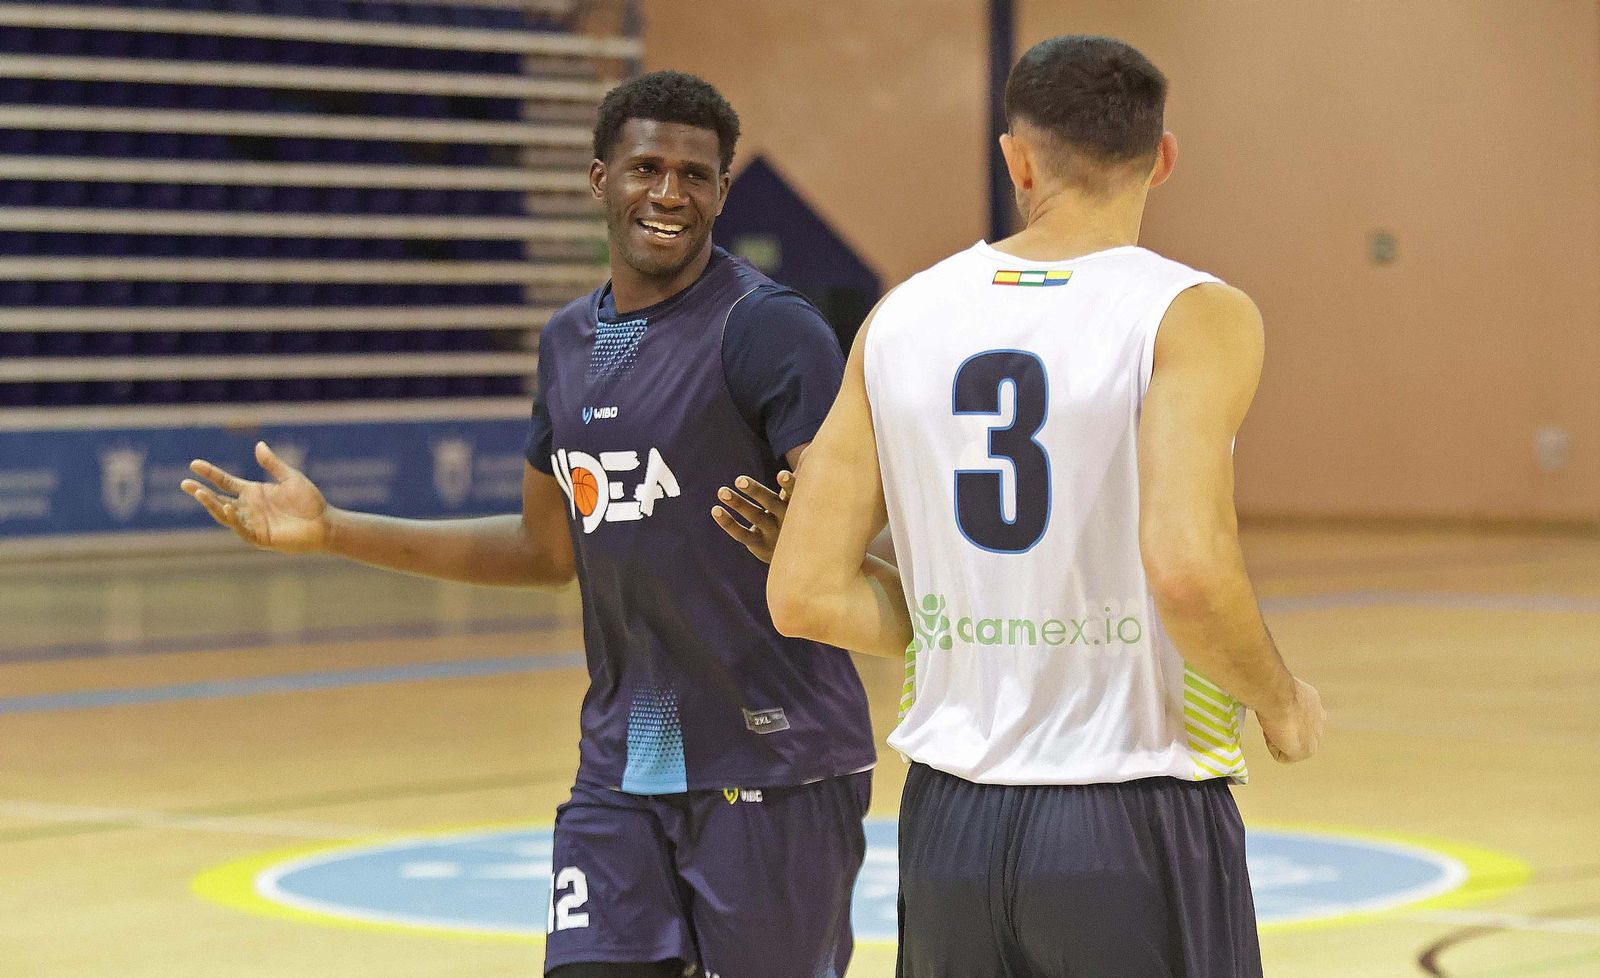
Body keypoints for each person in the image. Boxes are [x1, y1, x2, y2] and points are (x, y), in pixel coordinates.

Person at [182, 71, 876, 978]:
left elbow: (866, 531)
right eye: (647, 168)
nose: (670, 193)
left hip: (774, 759)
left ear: (721, 193)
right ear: (599, 179)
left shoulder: (766, 329)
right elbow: (544, 549)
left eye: (696, 176)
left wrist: (821, 538)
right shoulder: (567, 345)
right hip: (624, 766)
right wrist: (334, 529)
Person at [724, 35, 1326, 978]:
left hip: (949, 824)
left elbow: (801, 594)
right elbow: (1187, 569)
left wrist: (978, 627)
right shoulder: (1193, 313)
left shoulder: (901, 317)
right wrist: (1282, 701)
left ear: (1017, 158)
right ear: (1162, 156)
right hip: (1133, 806)